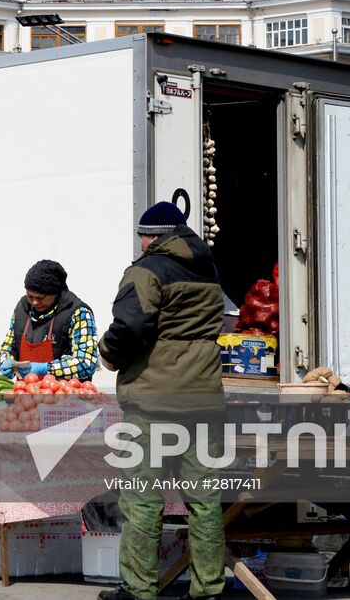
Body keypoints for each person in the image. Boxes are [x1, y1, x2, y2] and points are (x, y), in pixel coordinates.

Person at [97, 201, 226, 600]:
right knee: (205, 500)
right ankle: (208, 589)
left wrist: (108, 352)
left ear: (154, 236)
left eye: (142, 234)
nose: (140, 241)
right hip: (203, 398)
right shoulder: (208, 270)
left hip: (153, 402)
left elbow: (131, 324)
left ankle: (139, 590)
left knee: (142, 499)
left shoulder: (147, 270)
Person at [0, 260, 99, 381]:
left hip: (65, 396)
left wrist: (46, 369)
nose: (34, 302)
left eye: (40, 298)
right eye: (30, 296)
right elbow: (8, 346)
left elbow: (86, 364)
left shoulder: (78, 313)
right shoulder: (23, 308)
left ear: (55, 293)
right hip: (26, 394)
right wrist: (4, 360)